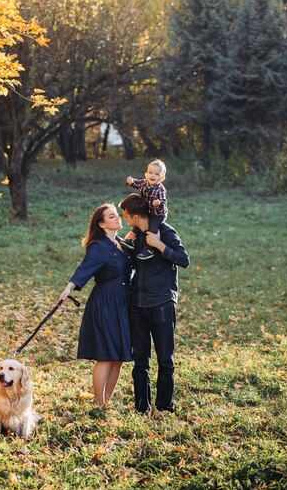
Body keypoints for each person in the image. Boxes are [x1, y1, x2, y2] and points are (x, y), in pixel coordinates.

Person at [119, 193, 190, 414]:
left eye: (125, 215)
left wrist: (159, 245)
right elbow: (132, 265)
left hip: (161, 305)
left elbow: (184, 259)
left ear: (135, 215)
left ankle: (165, 407)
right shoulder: (136, 234)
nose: (124, 219)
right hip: (137, 306)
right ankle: (141, 407)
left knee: (165, 360)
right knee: (140, 361)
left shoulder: (165, 232)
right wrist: (126, 246)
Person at [59, 203, 133, 407]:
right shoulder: (98, 246)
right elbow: (86, 268)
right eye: (111, 216)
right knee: (107, 355)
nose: (117, 218)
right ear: (101, 224)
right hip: (106, 303)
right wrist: (70, 287)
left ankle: (106, 402)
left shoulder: (122, 243)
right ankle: (99, 402)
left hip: (124, 302)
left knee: (118, 357)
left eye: (117, 215)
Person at [121, 159, 168, 260]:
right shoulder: (144, 183)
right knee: (138, 224)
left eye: (157, 174)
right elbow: (135, 184)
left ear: (162, 178)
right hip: (147, 210)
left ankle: (149, 249)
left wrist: (158, 204)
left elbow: (163, 203)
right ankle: (131, 240)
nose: (153, 175)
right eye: (150, 173)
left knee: (152, 228)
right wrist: (130, 181)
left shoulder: (160, 189)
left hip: (157, 214)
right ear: (146, 174)